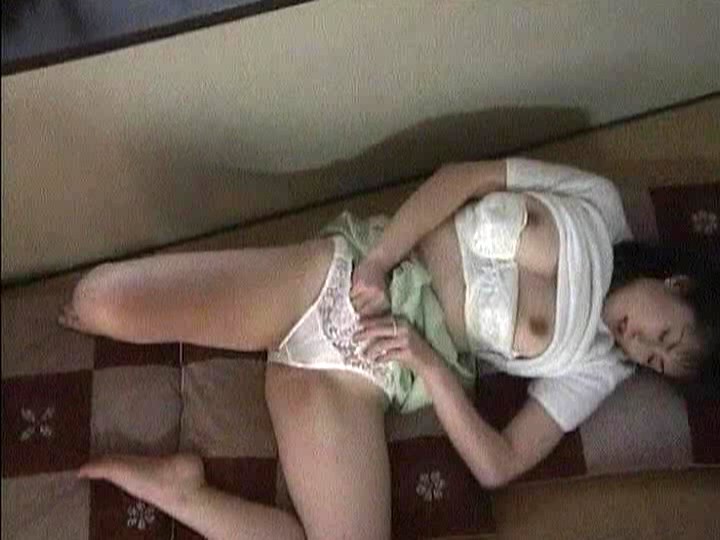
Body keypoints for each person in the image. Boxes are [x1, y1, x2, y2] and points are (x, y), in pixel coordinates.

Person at [59, 158, 719, 540]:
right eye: (664, 335)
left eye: (654, 362)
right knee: (94, 302)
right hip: (337, 276)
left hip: (365, 378)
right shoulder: (598, 204)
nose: (639, 345)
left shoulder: (597, 366)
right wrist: (379, 260)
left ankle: (185, 492)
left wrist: (428, 364)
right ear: (678, 285)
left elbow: (500, 463)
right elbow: (464, 178)